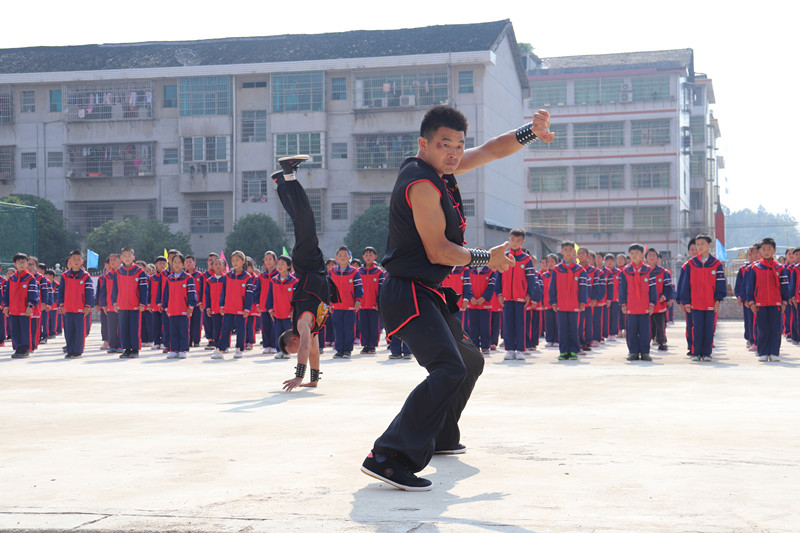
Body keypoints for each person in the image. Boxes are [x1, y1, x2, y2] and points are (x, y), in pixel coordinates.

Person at [360, 105, 552, 491]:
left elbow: (492, 150)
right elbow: (437, 251)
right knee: (448, 368)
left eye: (459, 145)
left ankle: (441, 437)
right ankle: (388, 455)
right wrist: (488, 258)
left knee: (469, 360)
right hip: (407, 291)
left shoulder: (442, 172)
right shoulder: (422, 183)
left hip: (429, 291)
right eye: (445, 144)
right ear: (424, 144)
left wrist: (530, 132)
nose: (455, 152)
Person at [272, 155, 336, 391]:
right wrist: (314, 378)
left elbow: (306, 348)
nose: (299, 349)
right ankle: (281, 182)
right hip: (314, 266)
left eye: (293, 348)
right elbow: (315, 351)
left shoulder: (302, 325)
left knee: (306, 218)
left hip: (307, 264)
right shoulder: (311, 329)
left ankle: (288, 174)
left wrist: (298, 376)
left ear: (293, 339)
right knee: (301, 219)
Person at [679, 234, 727, 362]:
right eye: (698, 244)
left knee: (709, 328)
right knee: (696, 328)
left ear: (709, 245)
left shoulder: (716, 264)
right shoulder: (691, 264)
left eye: (702, 244)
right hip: (695, 303)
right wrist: (686, 301)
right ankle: (696, 352)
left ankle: (707, 353)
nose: (699, 247)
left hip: (710, 303)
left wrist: (718, 300)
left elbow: (720, 283)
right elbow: (685, 284)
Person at [496, 229, 539, 360]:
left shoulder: (526, 259)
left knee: (520, 324)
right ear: (509, 240)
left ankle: (520, 349)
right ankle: (509, 349)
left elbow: (531, 278)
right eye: (512, 240)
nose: (515, 243)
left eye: (518, 241)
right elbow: (499, 276)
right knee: (507, 324)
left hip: (521, 297)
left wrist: (529, 295)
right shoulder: (504, 256)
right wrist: (499, 293)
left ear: (522, 242)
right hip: (507, 297)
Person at [746, 238, 790, 362]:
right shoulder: (755, 268)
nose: (766, 252)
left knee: (776, 329)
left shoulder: (780, 268)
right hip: (760, 304)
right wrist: (751, 302)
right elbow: (750, 287)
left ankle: (774, 352)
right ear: (760, 251)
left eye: (769, 249)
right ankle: (763, 352)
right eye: (764, 249)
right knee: (763, 329)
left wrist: (784, 301)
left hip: (776, 304)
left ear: (774, 250)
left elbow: (785, 286)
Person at [549, 242, 588, 360]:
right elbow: (552, 287)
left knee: (573, 328)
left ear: (574, 253)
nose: (568, 252)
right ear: (561, 252)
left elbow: (583, 287)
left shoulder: (579, 270)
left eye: (570, 250)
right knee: (562, 329)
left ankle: (573, 351)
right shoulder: (557, 269)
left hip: (574, 304)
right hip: (561, 304)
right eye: (565, 250)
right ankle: (563, 351)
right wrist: (553, 302)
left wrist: (582, 302)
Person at [619, 244, 656, 361]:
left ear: (641, 255)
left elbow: (653, 289)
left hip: (645, 306)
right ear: (629, 255)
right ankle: (633, 352)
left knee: (645, 331)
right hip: (631, 306)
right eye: (632, 253)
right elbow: (622, 289)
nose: (634, 255)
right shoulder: (625, 271)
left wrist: (652, 304)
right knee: (631, 330)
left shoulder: (648, 270)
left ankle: (645, 352)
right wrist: (623, 304)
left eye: (637, 253)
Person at [214, 251, 254, 359]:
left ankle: (239, 349)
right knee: (225, 329)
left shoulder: (247, 277)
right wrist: (222, 305)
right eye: (233, 261)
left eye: (237, 260)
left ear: (243, 261)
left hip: (241, 308)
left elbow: (249, 294)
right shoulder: (227, 276)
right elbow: (224, 292)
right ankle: (221, 349)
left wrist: (247, 308)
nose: (235, 263)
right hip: (229, 308)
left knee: (241, 329)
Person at [111, 247, 149, 359]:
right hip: (122, 305)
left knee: (134, 328)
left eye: (129, 256)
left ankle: (135, 349)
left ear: (133, 257)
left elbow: (143, 289)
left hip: (135, 305)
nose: (127, 258)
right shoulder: (118, 272)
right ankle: (126, 349)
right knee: (123, 328)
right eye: (125, 256)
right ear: (121, 258)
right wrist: (115, 303)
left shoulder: (139, 271)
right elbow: (115, 289)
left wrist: (143, 303)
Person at [57, 250, 94, 358]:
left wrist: (88, 306)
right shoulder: (64, 276)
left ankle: (77, 351)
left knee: (79, 331)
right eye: (74, 259)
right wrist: (61, 305)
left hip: (80, 309)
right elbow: (61, 291)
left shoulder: (86, 276)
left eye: (79, 259)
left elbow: (89, 292)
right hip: (68, 309)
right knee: (68, 331)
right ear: (70, 261)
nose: (76, 261)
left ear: (82, 261)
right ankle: (70, 350)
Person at [2, 253, 39, 358]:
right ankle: (17, 348)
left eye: (24, 262)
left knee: (25, 330)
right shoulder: (11, 279)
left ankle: (24, 349)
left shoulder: (30, 278)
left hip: (24, 310)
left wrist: (30, 306)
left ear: (27, 263)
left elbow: (34, 294)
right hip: (13, 310)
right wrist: (6, 306)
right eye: (19, 262)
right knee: (15, 330)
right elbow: (7, 294)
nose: (21, 264)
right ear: (14, 264)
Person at [162, 253, 198, 359]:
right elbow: (166, 294)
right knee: (172, 330)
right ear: (171, 264)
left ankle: (183, 349)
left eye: (179, 263)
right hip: (172, 309)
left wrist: (191, 306)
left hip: (183, 309)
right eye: (175, 262)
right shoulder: (169, 278)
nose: (177, 265)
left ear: (183, 264)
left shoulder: (188, 278)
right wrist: (166, 307)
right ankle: (174, 349)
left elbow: (192, 293)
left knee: (183, 330)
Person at [329, 246, 362, 358]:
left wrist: (358, 301)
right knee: (338, 329)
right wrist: (329, 302)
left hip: (350, 306)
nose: (343, 257)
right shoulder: (332, 272)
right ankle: (339, 350)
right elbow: (328, 289)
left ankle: (347, 350)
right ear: (336, 258)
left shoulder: (354, 272)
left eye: (345, 255)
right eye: (340, 255)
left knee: (349, 328)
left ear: (349, 258)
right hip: (336, 306)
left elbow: (358, 288)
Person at [264, 254, 298, 359]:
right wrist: (270, 309)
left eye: (282, 264)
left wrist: (294, 310)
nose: (279, 266)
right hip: (277, 312)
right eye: (278, 263)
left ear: (288, 266)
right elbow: (270, 296)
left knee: (288, 334)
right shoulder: (274, 280)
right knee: (278, 332)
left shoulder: (294, 281)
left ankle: (287, 351)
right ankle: (279, 350)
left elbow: (296, 298)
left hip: (288, 313)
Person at [358, 247, 385, 355]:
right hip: (362, 304)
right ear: (363, 257)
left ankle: (372, 345)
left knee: (374, 326)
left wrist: (379, 303)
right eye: (366, 255)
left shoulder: (379, 272)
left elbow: (381, 289)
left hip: (374, 304)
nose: (368, 257)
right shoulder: (359, 271)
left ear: (375, 257)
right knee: (363, 325)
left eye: (371, 255)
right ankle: (365, 345)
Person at [645, 249, 673, 352]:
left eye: (654, 255)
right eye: (649, 255)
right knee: (646, 325)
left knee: (660, 325)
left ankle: (662, 342)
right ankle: (646, 342)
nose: (652, 257)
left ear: (657, 258)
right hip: (646, 305)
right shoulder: (644, 271)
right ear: (645, 258)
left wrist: (665, 297)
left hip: (660, 304)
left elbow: (668, 287)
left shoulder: (663, 272)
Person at [256, 251, 279, 354]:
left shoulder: (279, 274)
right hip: (264, 305)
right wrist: (257, 304)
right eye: (266, 259)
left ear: (275, 260)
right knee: (265, 326)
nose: (268, 261)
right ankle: (267, 345)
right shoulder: (261, 276)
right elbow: (257, 290)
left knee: (274, 326)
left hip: (276, 306)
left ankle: (274, 345)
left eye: (270, 259)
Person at [205, 258, 227, 358]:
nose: (218, 266)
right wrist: (208, 307)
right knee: (216, 329)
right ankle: (218, 346)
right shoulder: (210, 280)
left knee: (225, 328)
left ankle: (225, 346)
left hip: (225, 308)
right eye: (216, 264)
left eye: (220, 264)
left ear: (224, 266)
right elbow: (207, 295)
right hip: (214, 308)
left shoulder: (227, 279)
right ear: (212, 266)